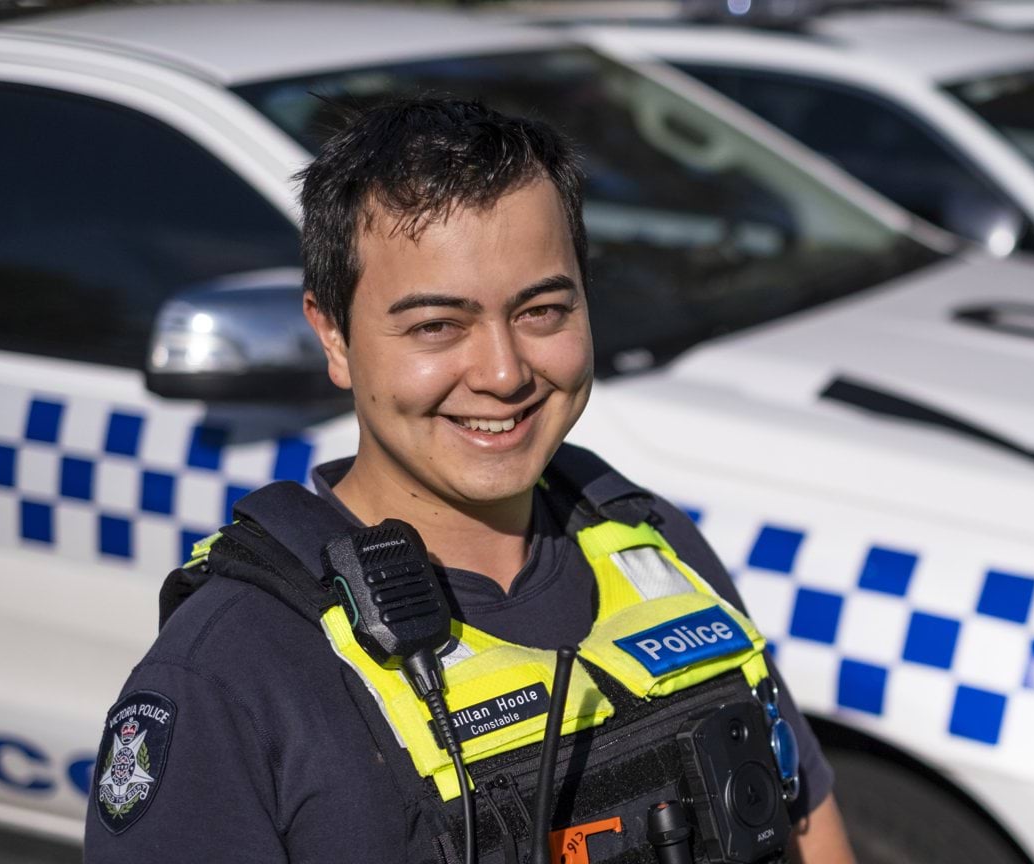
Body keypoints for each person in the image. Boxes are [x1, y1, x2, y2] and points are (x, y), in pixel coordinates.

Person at [84, 97, 854, 864]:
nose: (503, 372)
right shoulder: (234, 667)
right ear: (334, 336)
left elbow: (811, 834)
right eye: (436, 326)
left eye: (541, 311)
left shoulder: (655, 548)